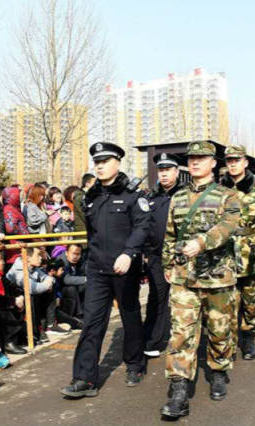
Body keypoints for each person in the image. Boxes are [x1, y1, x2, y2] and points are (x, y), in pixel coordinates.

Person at [60, 142, 150, 398]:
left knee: (130, 317)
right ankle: (84, 378)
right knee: (92, 322)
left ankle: (134, 364)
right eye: (96, 162)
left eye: (105, 161)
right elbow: (90, 231)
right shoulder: (91, 195)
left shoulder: (134, 194)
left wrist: (129, 252)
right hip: (97, 268)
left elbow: (143, 226)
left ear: (117, 163)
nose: (99, 166)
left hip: (124, 267)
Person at [159, 141, 241, 419]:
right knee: (181, 334)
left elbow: (228, 227)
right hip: (185, 277)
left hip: (218, 276)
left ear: (213, 163)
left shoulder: (228, 196)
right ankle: (179, 391)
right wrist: (167, 264)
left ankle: (218, 370)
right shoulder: (178, 197)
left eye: (201, 158)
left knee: (220, 331)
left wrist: (203, 241)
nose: (194, 162)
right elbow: (170, 235)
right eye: (191, 158)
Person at [218, 145, 255, 360]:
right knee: (226, 303)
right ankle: (227, 345)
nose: (232, 164)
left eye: (236, 160)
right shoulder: (217, 191)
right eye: (229, 160)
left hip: (250, 251)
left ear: (245, 162)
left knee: (251, 302)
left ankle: (248, 337)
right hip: (224, 252)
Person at [142, 153, 184, 358]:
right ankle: (153, 340)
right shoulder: (151, 197)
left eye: (168, 170)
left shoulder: (185, 195)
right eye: (161, 170)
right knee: (157, 297)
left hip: (182, 257)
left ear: (176, 172)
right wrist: (146, 254)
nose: (164, 174)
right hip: (156, 257)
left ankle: (184, 339)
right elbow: (145, 227)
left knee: (184, 299)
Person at [57, 244, 86, 329]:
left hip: (74, 291)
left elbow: (85, 273)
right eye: (73, 253)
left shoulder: (81, 260)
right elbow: (66, 279)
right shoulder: (61, 260)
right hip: (60, 293)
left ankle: (84, 315)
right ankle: (75, 316)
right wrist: (87, 279)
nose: (75, 256)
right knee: (71, 288)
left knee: (87, 286)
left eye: (78, 254)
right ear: (66, 253)